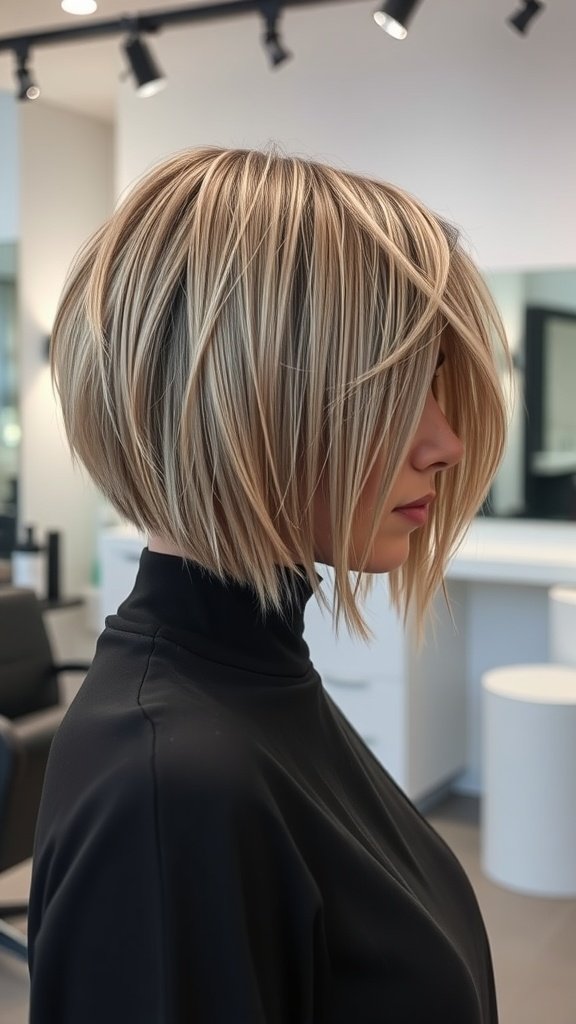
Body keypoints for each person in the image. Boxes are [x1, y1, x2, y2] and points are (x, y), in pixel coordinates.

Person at [27, 145, 511, 1023]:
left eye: (433, 383)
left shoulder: (255, 692)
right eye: (397, 389)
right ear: (240, 395)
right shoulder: (172, 792)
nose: (445, 442)